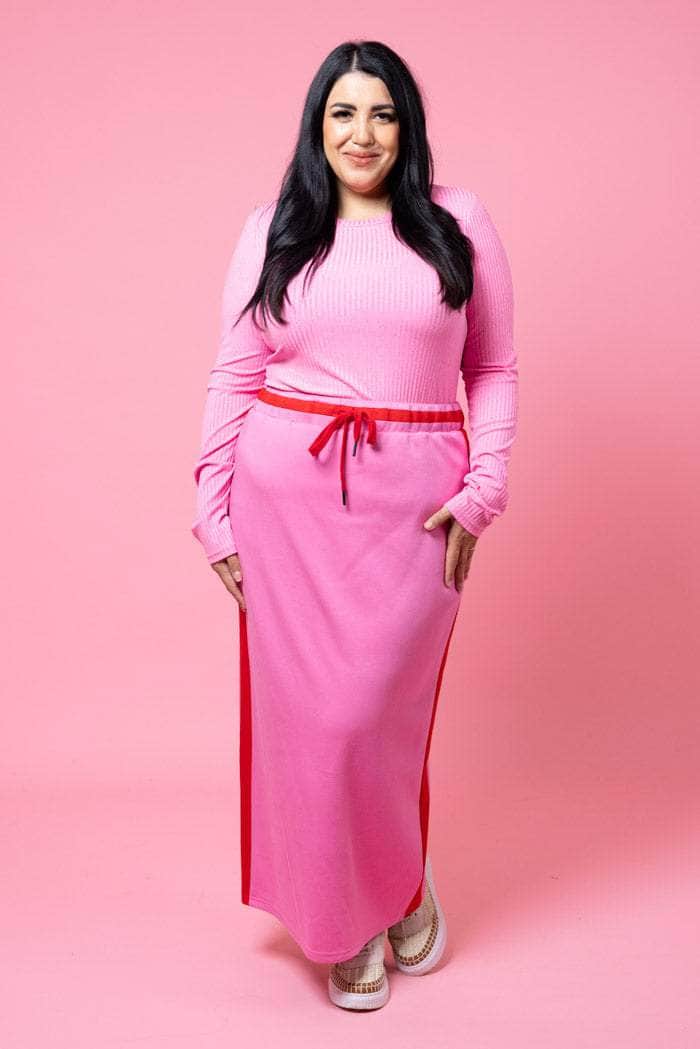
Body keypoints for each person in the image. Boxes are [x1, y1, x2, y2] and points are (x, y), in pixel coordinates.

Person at [191, 39, 518, 1011]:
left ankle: (401, 878)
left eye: (381, 112)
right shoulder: (274, 230)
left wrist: (484, 488)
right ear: (317, 126)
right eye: (343, 113)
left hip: (416, 510)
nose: (362, 133)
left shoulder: (457, 223)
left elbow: (492, 367)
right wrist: (211, 512)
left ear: (406, 126)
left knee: (376, 718)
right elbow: (234, 374)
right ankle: (350, 917)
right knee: (316, 727)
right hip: (286, 509)